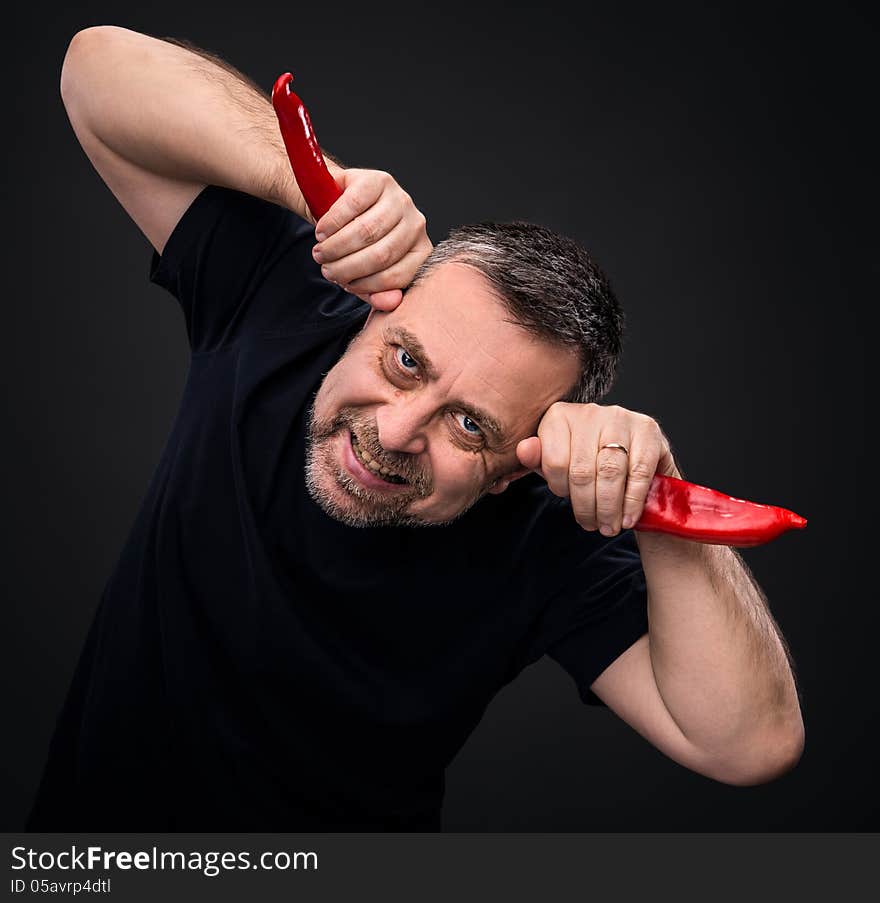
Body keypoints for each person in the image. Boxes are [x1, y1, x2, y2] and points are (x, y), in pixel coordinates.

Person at [27, 25, 804, 831]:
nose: (396, 431)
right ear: (372, 316)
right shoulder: (284, 299)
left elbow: (749, 745)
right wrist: (317, 185)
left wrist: (656, 498)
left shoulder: (544, 533)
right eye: (405, 361)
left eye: (470, 425)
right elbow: (95, 71)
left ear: (515, 467)